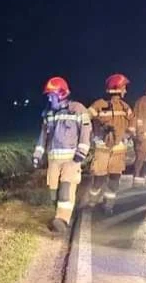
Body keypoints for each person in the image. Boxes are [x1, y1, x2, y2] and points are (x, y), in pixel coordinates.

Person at [33, 76, 92, 235]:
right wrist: (37, 154)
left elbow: (85, 132)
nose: (49, 98)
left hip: (71, 160)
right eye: (48, 96)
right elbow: (43, 136)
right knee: (54, 192)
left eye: (51, 95)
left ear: (61, 93)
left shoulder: (78, 109)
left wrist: (81, 152)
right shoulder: (49, 113)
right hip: (53, 160)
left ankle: (62, 220)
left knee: (66, 189)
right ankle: (59, 216)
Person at [88, 74, 136, 214]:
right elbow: (85, 120)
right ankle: (93, 200)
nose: (125, 91)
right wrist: (95, 135)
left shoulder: (125, 106)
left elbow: (132, 123)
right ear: (117, 89)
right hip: (102, 149)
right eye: (124, 88)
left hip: (118, 149)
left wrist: (126, 135)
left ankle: (108, 204)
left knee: (115, 178)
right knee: (99, 178)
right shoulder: (98, 105)